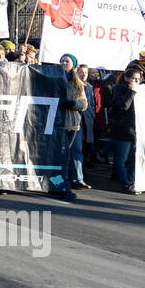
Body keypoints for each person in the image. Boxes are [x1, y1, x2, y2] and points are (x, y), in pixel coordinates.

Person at [107, 65, 144, 194]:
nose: (136, 81)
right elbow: (124, 106)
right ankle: (125, 184)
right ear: (127, 78)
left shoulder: (141, 90)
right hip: (122, 129)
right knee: (120, 159)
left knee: (134, 159)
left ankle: (131, 181)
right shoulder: (119, 89)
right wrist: (132, 91)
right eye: (134, 78)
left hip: (135, 130)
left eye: (138, 79)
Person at [60, 54, 89, 189]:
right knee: (60, 154)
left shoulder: (78, 84)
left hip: (72, 122)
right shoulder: (54, 77)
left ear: (73, 65)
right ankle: (60, 180)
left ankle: (75, 179)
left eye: (67, 61)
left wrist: (73, 104)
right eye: (62, 61)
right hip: (56, 122)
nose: (63, 63)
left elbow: (84, 104)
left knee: (73, 152)